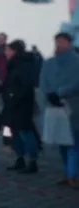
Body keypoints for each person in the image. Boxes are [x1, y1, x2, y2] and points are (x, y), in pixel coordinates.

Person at [39, 32, 79, 188]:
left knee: (74, 143)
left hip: (74, 108)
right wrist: (50, 95)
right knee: (62, 142)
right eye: (57, 42)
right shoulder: (49, 63)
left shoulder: (77, 62)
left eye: (62, 42)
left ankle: (72, 175)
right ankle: (66, 173)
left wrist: (61, 93)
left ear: (69, 43)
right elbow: (43, 81)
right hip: (55, 109)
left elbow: (76, 83)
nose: (59, 45)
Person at [2, 40, 40, 173]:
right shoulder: (13, 65)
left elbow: (24, 86)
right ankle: (20, 158)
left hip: (22, 105)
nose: (5, 52)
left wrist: (14, 97)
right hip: (12, 105)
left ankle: (32, 160)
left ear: (14, 51)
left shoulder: (23, 64)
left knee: (25, 132)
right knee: (15, 133)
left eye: (8, 50)